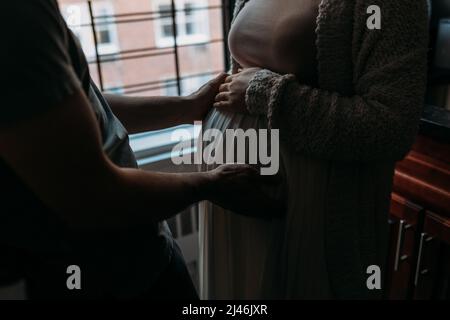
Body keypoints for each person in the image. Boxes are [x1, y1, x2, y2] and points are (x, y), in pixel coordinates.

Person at [0, 0, 282, 299]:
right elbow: (92, 195)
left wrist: (188, 107)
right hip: (107, 275)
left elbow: (76, 104)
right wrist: (210, 184)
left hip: (125, 257)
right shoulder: (15, 15)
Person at [199, 0, 429, 299]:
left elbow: (391, 127)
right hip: (233, 200)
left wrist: (267, 94)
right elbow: (244, 73)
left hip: (306, 211)